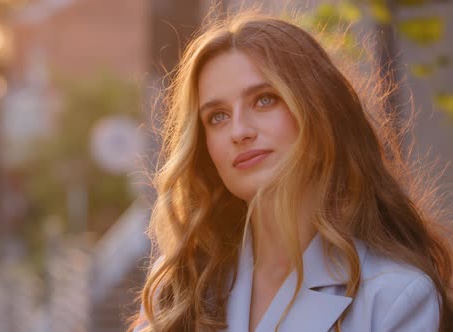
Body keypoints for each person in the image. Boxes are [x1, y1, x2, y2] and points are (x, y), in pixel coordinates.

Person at [129, 9, 453, 332]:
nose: (239, 131)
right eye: (217, 116)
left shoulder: (396, 297)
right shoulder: (176, 290)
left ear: (319, 110)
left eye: (264, 100)